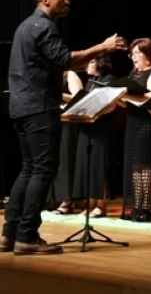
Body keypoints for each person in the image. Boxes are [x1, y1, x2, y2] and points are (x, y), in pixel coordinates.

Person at [2, 0, 126, 255]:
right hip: (39, 107)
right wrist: (102, 47)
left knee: (29, 168)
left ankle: (10, 234)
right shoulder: (44, 27)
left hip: (21, 107)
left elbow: (63, 61)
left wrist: (87, 56)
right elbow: (66, 60)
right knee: (43, 169)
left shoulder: (25, 26)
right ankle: (27, 236)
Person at [120, 37, 151, 222]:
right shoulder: (132, 75)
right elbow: (126, 103)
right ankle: (136, 206)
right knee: (134, 165)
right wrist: (119, 97)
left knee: (145, 164)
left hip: (148, 123)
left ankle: (147, 207)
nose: (134, 56)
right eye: (133, 53)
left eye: (138, 53)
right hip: (133, 122)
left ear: (148, 54)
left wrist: (128, 95)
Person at [72, 54, 117, 218]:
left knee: (100, 164)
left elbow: (111, 105)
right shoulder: (90, 81)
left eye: (91, 61)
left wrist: (93, 112)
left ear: (100, 62)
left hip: (101, 126)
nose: (87, 65)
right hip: (88, 125)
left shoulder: (109, 79)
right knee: (87, 164)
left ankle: (101, 205)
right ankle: (90, 204)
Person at [49, 70, 83, 215]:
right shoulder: (48, 75)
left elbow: (80, 98)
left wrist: (58, 94)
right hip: (50, 120)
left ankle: (67, 201)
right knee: (50, 160)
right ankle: (52, 199)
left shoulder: (69, 74)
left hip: (67, 121)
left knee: (65, 160)